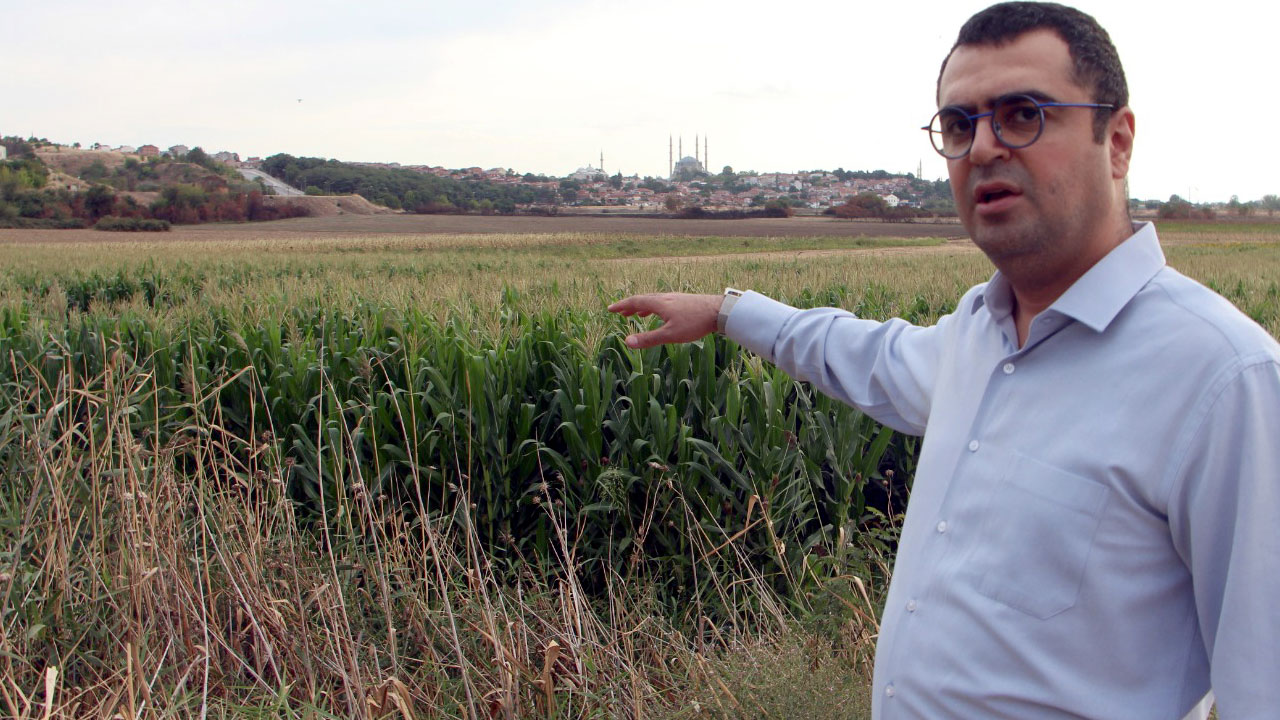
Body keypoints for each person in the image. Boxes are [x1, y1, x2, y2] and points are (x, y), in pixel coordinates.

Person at [608, 3, 1280, 718]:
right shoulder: (976, 335)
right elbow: (860, 353)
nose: (983, 147)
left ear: (1116, 142)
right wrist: (725, 310)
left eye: (1023, 114)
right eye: (959, 125)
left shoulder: (1222, 380)